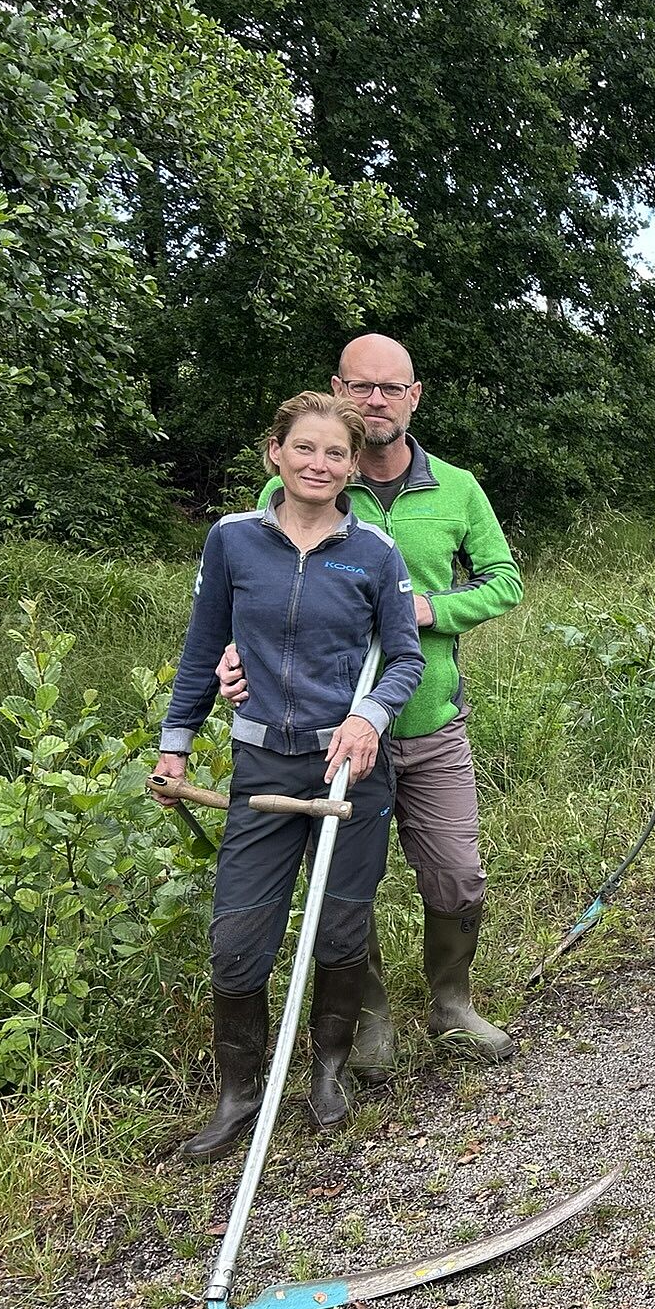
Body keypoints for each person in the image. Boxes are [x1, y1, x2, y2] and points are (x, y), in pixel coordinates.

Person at [218, 333, 524, 1078]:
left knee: (455, 873)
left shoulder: (457, 488)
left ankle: (450, 1004)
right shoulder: (305, 478)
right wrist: (235, 657)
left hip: (427, 719)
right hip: (326, 733)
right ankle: (371, 1014)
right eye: (362, 387)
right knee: (343, 877)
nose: (376, 401)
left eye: (391, 388)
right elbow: (251, 587)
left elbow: (505, 581)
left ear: (415, 396)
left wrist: (429, 609)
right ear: (339, 389)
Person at [154, 391, 424, 1159]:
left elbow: (403, 656)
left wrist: (368, 717)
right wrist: (177, 741)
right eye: (304, 448)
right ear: (275, 452)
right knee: (238, 937)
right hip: (264, 763)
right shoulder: (234, 541)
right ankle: (239, 1092)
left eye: (335, 453)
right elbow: (205, 644)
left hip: (350, 774)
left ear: (351, 467)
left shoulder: (373, 551)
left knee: (339, 929)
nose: (319, 464)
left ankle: (326, 1073)